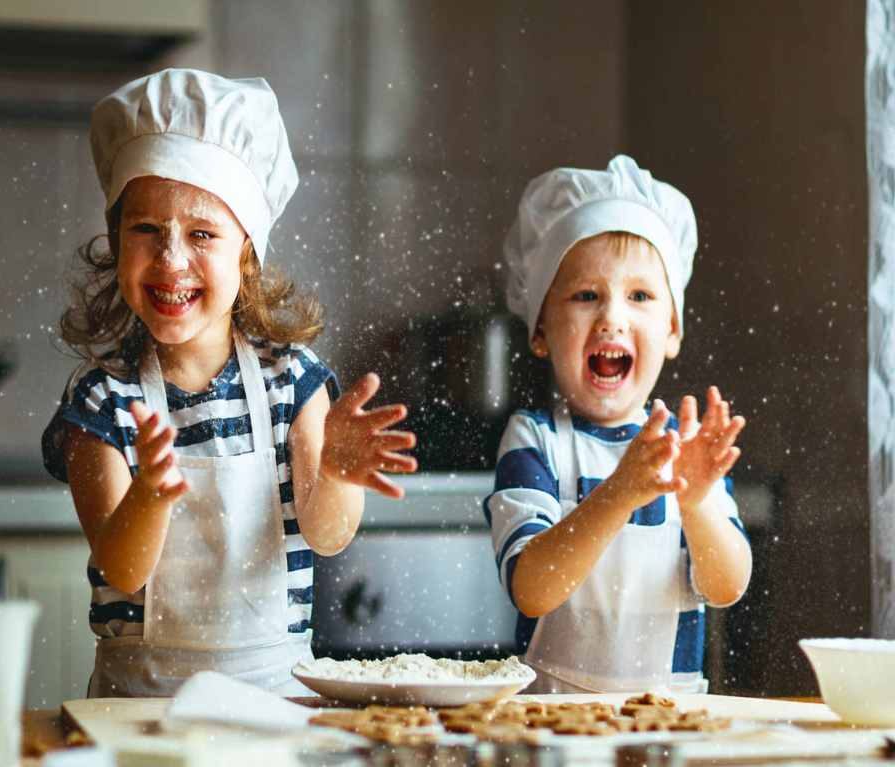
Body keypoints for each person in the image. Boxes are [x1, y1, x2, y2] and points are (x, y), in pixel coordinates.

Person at [41, 69, 416, 697]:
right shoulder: (103, 402)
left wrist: (340, 475)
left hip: (275, 702)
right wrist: (151, 498)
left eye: (202, 234)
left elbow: (326, 536)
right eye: (146, 231)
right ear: (115, 238)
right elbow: (123, 570)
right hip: (139, 709)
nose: (171, 260)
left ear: (247, 252)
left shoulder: (291, 380)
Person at [486, 155, 752, 693]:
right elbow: (531, 588)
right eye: (586, 295)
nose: (612, 317)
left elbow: (726, 586)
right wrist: (619, 494)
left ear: (672, 330)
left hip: (668, 728)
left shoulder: (687, 451)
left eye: (640, 297)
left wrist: (696, 503)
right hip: (551, 727)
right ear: (540, 331)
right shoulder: (535, 440)